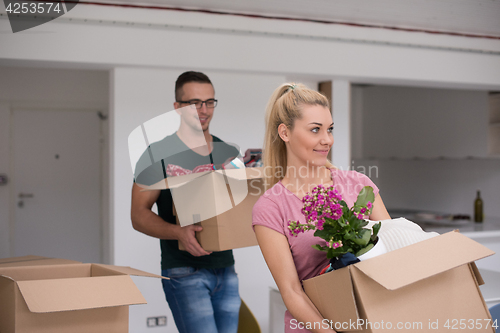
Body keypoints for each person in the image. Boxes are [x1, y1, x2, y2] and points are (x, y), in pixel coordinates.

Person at [252, 83, 391, 333]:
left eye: (330, 129)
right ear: (285, 133)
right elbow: (292, 292)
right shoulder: (270, 207)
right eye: (315, 130)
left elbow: (395, 251)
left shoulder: (359, 185)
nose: (326, 140)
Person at [131, 71, 241, 333]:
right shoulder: (157, 154)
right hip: (183, 271)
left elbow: (236, 206)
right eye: (193, 103)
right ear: (177, 108)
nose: (203, 110)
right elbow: (138, 214)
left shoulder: (226, 151)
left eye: (209, 102)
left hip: (225, 268)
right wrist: (177, 232)